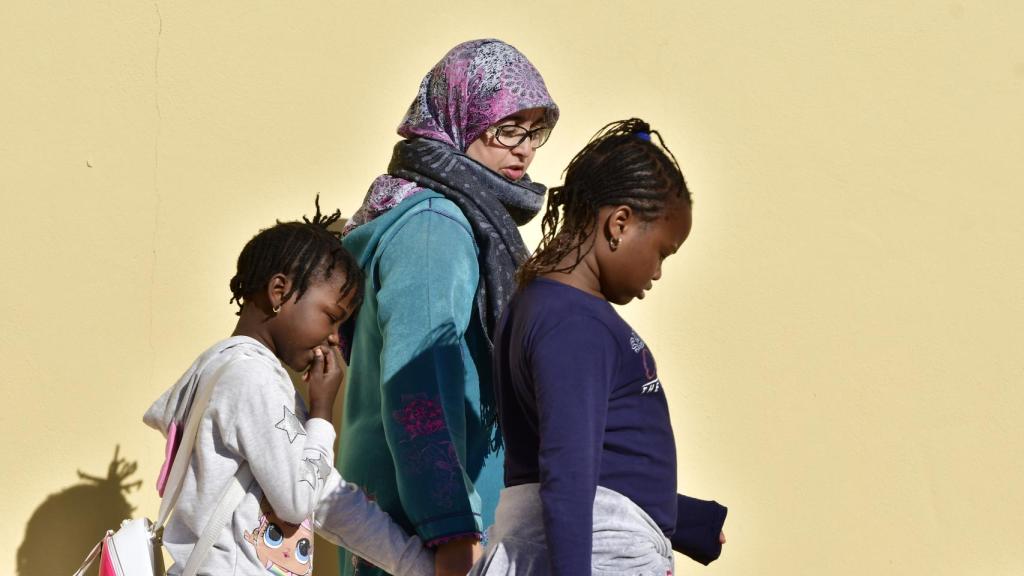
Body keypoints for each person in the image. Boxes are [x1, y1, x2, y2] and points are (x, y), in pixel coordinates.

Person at [337, 39, 559, 576]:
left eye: (536, 131)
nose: (525, 149)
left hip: (415, 522)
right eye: (508, 128)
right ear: (461, 116)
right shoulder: (435, 228)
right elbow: (419, 382)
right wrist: (450, 525)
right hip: (431, 537)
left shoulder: (443, 215)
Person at [471, 119, 728, 576]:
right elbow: (567, 473)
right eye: (663, 252)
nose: (658, 272)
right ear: (620, 223)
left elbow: (593, 461)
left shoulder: (547, 306)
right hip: (604, 555)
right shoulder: (574, 324)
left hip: (596, 542)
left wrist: (684, 520)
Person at [143, 205, 433, 576]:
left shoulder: (231, 373)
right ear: (279, 291)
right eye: (331, 317)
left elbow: (324, 495)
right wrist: (322, 413)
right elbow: (298, 500)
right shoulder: (250, 378)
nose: (332, 338)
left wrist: (418, 565)